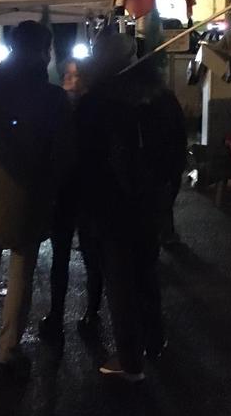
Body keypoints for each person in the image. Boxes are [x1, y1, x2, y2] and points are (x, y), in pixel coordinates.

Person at [0, 21, 72, 379]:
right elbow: (65, 152)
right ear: (41, 51)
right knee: (22, 272)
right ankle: (8, 352)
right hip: (30, 195)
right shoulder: (52, 97)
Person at [77, 32, 186, 383]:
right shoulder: (161, 97)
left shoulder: (97, 102)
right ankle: (155, 340)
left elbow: (84, 160)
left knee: (120, 280)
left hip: (111, 207)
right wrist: (166, 194)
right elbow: (177, 152)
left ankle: (129, 358)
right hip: (151, 204)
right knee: (145, 272)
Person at [38, 58, 104, 344]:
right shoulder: (57, 107)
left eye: (75, 75)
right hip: (65, 192)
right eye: (67, 74)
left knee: (91, 255)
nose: (69, 79)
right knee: (61, 256)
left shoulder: (97, 108)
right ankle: (57, 313)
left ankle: (91, 310)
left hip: (88, 193)